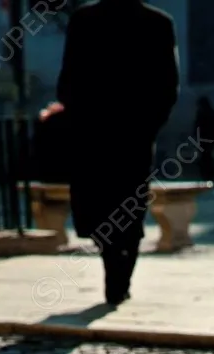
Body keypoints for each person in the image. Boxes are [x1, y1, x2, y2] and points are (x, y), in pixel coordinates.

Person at [57, 0, 179, 307]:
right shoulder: (157, 23)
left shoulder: (84, 20)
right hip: (132, 134)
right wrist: (149, 125)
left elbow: (68, 80)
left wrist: (78, 118)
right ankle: (120, 276)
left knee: (98, 206)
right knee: (128, 207)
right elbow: (168, 85)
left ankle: (115, 271)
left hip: (94, 133)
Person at [194, 97, 214, 181]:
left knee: (204, 157)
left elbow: (197, 126)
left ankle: (206, 175)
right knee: (207, 157)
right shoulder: (212, 113)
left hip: (203, 139)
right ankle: (209, 174)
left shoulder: (201, 113)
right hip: (209, 139)